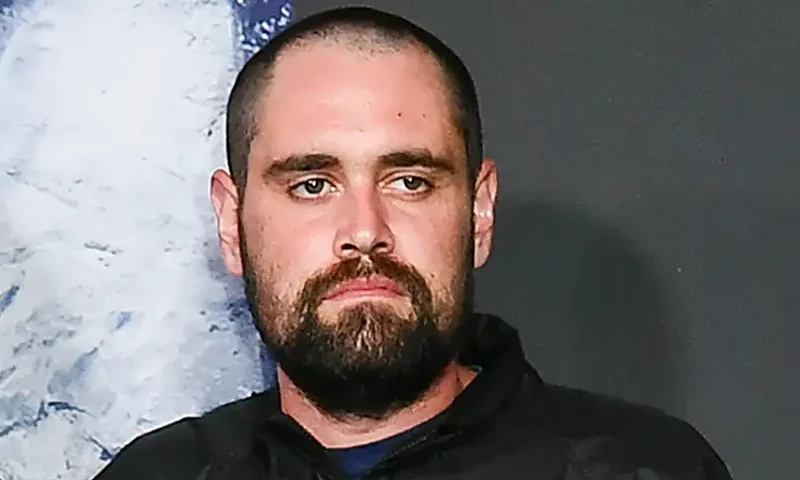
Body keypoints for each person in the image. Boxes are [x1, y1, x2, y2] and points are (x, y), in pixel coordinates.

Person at [92, 6, 733, 480]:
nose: (365, 230)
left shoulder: (646, 470)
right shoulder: (156, 474)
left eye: (409, 181)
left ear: (479, 212)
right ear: (232, 224)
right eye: (313, 184)